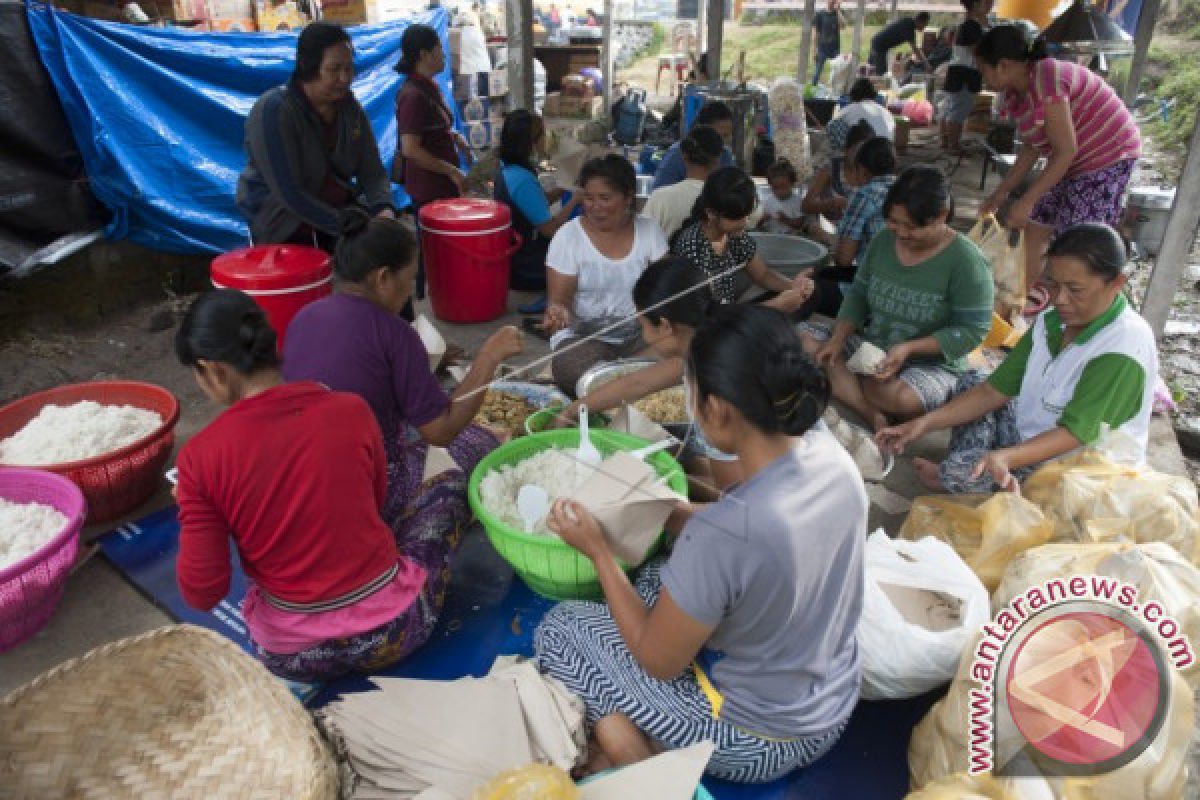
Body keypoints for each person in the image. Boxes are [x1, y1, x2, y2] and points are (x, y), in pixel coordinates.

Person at [535, 305, 866, 783]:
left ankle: (633, 752)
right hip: (831, 703)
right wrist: (674, 514)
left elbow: (658, 662)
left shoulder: (725, 536)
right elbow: (762, 538)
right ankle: (634, 736)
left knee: (563, 629)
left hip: (754, 741)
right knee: (653, 577)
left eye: (689, 391)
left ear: (717, 408)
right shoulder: (833, 459)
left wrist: (599, 553)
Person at [175, 290, 445, 682]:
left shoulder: (200, 460)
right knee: (446, 490)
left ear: (213, 369)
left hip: (295, 658)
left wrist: (197, 509)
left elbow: (203, 593)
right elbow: (375, 501)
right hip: (394, 634)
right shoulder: (351, 408)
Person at [282, 211, 523, 543]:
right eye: (409, 280)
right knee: (479, 447)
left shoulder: (303, 317)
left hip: (299, 483)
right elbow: (441, 432)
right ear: (383, 278)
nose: (409, 291)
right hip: (363, 491)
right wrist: (489, 357)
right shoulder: (394, 333)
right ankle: (409, 553)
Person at [877, 223, 1157, 493]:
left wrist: (1007, 457)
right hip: (1034, 436)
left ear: (1117, 283)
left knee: (967, 471)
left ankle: (963, 474)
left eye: (1075, 290)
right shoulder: (1051, 321)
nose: (1059, 299)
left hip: (1078, 467)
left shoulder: (1122, 348)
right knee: (973, 380)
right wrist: (922, 424)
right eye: (1054, 285)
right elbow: (993, 390)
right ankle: (967, 472)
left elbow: (1074, 434)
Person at [803, 166, 994, 430]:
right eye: (894, 222)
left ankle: (845, 385)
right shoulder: (883, 242)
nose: (902, 233)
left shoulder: (967, 261)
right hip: (872, 346)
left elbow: (973, 330)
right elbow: (858, 294)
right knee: (799, 340)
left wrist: (908, 349)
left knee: (903, 399)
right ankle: (868, 410)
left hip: (930, 364)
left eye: (912, 226)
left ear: (941, 216)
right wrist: (838, 338)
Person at [976, 26, 1142, 296]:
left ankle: (1077, 309)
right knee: (1036, 224)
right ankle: (1015, 301)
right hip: (1072, 162)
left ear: (1003, 65)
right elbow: (1032, 146)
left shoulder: (1047, 78)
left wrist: (1026, 200)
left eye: (984, 70)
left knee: (1076, 242)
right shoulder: (1016, 92)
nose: (982, 78)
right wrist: (1001, 194)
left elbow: (1066, 151)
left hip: (1108, 156)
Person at [557, 257, 743, 493]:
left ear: (665, 326)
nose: (643, 336)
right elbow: (638, 383)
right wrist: (572, 412)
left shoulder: (713, 389)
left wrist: (659, 480)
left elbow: (731, 497)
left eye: (643, 325)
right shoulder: (705, 344)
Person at [237, 22, 395, 252]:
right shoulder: (274, 111)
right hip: (283, 226)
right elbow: (289, 193)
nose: (345, 78)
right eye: (334, 69)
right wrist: (342, 223)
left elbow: (372, 171)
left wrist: (384, 209)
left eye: (349, 68)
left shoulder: (351, 111)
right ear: (308, 67)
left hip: (337, 218)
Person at [543, 155, 669, 396]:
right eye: (588, 198)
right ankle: (632, 381)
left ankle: (615, 382)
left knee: (682, 351)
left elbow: (661, 290)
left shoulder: (649, 231)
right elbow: (560, 301)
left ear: (628, 197)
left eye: (605, 198)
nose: (595, 207)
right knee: (571, 367)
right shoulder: (568, 237)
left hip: (640, 336)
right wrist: (557, 312)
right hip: (586, 340)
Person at [393, 23, 470, 318]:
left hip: (441, 182)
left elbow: (434, 128)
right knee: (433, 247)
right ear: (424, 53)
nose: (444, 55)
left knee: (439, 245)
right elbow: (411, 148)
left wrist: (454, 137)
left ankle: (441, 290)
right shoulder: (412, 94)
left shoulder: (429, 87)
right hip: (429, 186)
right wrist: (450, 170)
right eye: (440, 49)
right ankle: (433, 298)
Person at [671, 167, 814, 313]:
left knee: (811, 298)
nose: (745, 223)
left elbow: (763, 274)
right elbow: (709, 316)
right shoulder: (693, 248)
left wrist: (794, 286)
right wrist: (776, 305)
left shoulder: (733, 235)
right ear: (711, 213)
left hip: (729, 313)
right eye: (738, 217)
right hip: (709, 325)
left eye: (747, 215)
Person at [494, 110, 582, 299]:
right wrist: (575, 200)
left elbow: (534, 204)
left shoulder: (508, 168)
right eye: (543, 134)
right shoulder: (522, 179)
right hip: (527, 267)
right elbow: (549, 230)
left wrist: (564, 189)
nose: (546, 138)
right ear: (530, 142)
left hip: (515, 256)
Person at [643, 125, 724, 238]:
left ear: (683, 155)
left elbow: (644, 243)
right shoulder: (727, 199)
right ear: (719, 157)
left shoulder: (660, 199)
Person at [802, 119, 875, 240]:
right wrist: (830, 203)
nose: (862, 157)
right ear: (846, 150)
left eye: (866, 153)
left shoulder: (873, 172)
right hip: (830, 227)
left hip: (858, 230)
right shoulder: (832, 168)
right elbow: (806, 206)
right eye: (858, 152)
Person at [833, 136, 897, 269]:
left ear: (862, 170)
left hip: (875, 279)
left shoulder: (864, 195)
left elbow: (844, 260)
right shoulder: (905, 188)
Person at [939, 0, 992, 153]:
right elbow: (976, 52)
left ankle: (945, 142)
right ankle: (953, 145)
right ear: (975, 5)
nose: (990, 5)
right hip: (965, 73)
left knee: (950, 107)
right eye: (986, 3)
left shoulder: (967, 23)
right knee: (959, 109)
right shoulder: (972, 25)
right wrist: (987, 72)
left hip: (957, 71)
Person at [651, 101, 736, 192]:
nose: (725, 141)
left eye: (728, 135)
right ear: (703, 130)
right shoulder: (677, 154)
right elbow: (659, 192)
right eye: (722, 136)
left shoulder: (726, 155)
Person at [826, 78, 896, 145]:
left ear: (852, 95)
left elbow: (831, 125)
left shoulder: (850, 109)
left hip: (865, 152)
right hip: (888, 149)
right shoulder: (885, 111)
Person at [869, 12, 931, 79]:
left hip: (877, 43)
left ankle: (871, 85)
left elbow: (915, 48)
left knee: (874, 70)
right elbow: (915, 49)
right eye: (924, 25)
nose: (924, 28)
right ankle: (876, 87)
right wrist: (926, 64)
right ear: (920, 21)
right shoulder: (909, 26)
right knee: (881, 74)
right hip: (879, 46)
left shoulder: (908, 22)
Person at [758, 159, 807, 235]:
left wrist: (785, 219)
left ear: (792, 184)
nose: (780, 191)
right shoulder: (767, 200)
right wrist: (763, 219)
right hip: (771, 237)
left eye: (783, 187)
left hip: (791, 238)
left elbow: (799, 224)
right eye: (775, 188)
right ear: (770, 186)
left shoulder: (798, 202)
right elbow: (758, 224)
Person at [811, 0, 847, 85]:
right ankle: (812, 88)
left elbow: (843, 26)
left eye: (835, 1)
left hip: (835, 48)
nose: (833, 2)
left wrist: (838, 11)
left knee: (837, 72)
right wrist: (814, 49)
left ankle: (835, 90)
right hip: (822, 48)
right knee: (817, 71)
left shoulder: (838, 14)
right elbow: (815, 33)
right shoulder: (820, 14)